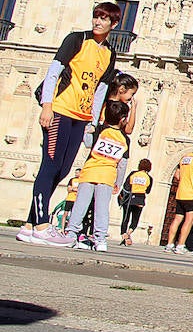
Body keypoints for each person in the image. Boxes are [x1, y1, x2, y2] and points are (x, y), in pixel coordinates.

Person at [19, 1, 121, 245]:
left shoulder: (109, 53)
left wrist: (92, 122)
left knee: (64, 169)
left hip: (81, 116)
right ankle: (42, 225)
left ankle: (29, 225)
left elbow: (101, 89)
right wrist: (47, 106)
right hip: (61, 110)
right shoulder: (76, 39)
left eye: (104, 19)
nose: (98, 22)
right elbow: (54, 71)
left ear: (114, 24)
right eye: (96, 16)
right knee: (51, 164)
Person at [43, 100, 130, 252]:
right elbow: (122, 163)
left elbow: (88, 142)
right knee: (102, 209)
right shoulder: (125, 139)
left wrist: (88, 129)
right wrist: (119, 182)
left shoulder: (99, 130)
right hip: (107, 176)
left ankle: (71, 234)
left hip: (89, 172)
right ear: (123, 119)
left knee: (80, 205)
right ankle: (100, 239)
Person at [118, 158, 153, 246]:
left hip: (129, 198)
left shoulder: (133, 174)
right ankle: (129, 233)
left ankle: (124, 234)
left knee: (125, 218)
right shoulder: (149, 178)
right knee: (135, 220)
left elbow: (126, 185)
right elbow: (148, 191)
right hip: (140, 199)